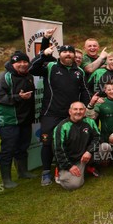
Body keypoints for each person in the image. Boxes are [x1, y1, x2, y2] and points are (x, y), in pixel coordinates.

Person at [29, 44, 91, 186]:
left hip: (70, 115)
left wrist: (86, 107)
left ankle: (63, 168)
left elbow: (85, 91)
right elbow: (32, 69)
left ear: (74, 55)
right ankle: (46, 172)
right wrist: (43, 55)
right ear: (60, 54)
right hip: (51, 113)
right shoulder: (51, 67)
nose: (68, 54)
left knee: (69, 141)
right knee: (47, 142)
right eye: (65, 52)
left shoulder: (79, 71)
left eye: (71, 52)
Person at [0, 51, 36, 188]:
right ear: (12, 63)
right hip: (8, 120)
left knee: (23, 146)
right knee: (8, 149)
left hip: (25, 119)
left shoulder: (29, 76)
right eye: (19, 62)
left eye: (25, 62)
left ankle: (23, 171)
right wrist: (18, 97)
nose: (22, 64)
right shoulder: (3, 77)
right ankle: (6, 179)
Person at [53, 102, 100, 191]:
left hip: (85, 156)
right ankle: (60, 172)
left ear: (85, 111)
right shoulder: (61, 127)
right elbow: (57, 150)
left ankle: (88, 167)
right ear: (70, 111)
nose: (78, 112)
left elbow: (97, 138)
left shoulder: (90, 122)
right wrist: (69, 166)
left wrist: (89, 151)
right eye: (75, 109)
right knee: (73, 185)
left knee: (105, 147)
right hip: (71, 161)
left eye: (81, 109)